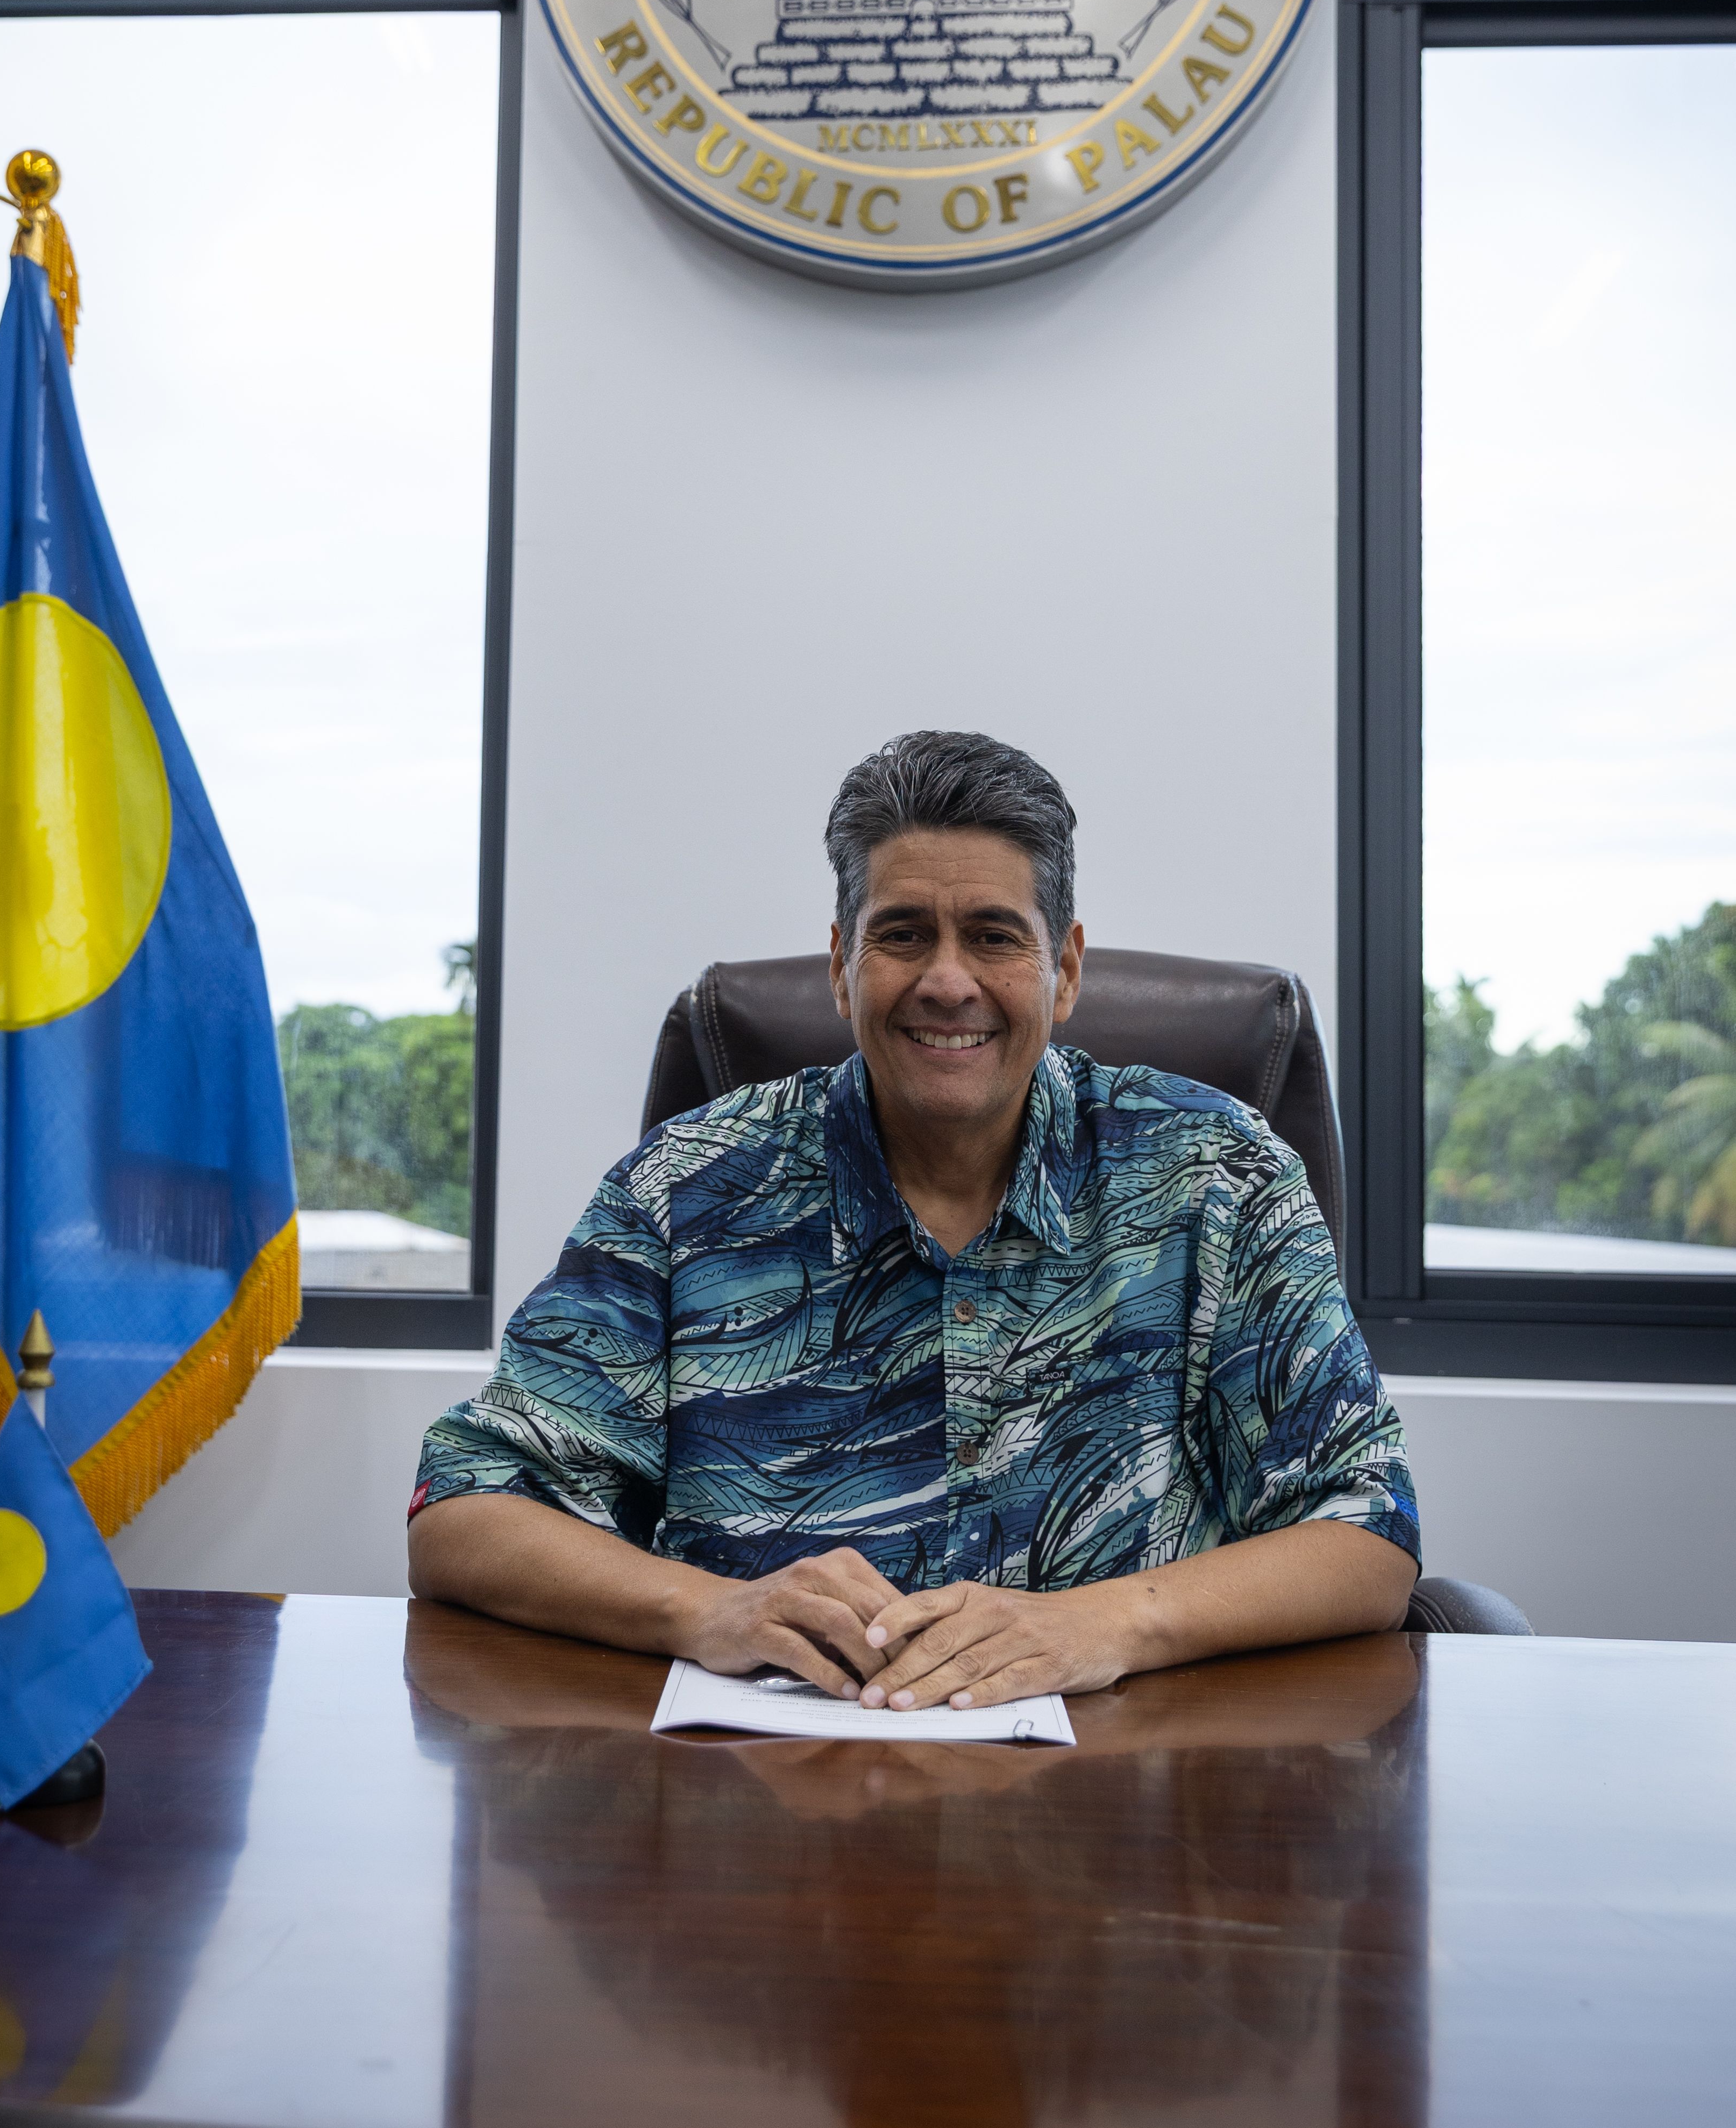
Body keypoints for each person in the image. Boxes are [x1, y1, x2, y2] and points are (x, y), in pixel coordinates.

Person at [409, 732, 1419, 1712]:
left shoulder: (1216, 1173)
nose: (947, 979)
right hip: (764, 1823)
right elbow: (462, 1512)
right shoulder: (688, 1187)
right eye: (902, 934)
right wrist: (710, 1609)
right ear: (842, 962)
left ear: (1064, 969)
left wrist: (1106, 1624)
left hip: (1123, 1828)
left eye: (993, 934)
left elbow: (1367, 1533)